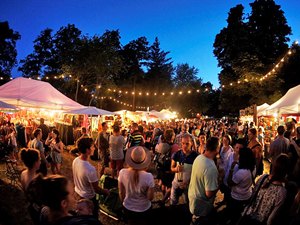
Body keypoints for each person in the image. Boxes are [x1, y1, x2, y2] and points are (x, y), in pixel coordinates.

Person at [241, 154, 290, 225]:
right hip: (260, 221)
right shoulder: (282, 192)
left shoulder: (263, 178)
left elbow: (253, 195)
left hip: (248, 216)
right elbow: (271, 218)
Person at [72, 138, 108, 219]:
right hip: (88, 199)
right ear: (87, 150)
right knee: (91, 219)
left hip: (78, 194)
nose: (94, 148)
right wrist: (106, 192)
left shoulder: (75, 160)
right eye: (92, 147)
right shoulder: (90, 169)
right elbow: (96, 189)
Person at [118, 146, 154, 225]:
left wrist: (123, 204)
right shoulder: (149, 176)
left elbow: (121, 193)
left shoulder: (122, 172)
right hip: (144, 209)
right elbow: (150, 198)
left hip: (128, 207)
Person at [188, 136, 220, 225]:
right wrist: (218, 185)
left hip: (194, 198)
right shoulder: (210, 167)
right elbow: (209, 193)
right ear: (217, 148)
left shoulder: (199, 158)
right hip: (202, 205)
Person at [227, 147, 256, 224]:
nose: (238, 156)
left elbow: (230, 182)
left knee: (235, 216)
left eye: (239, 155)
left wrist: (232, 168)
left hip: (237, 198)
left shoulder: (242, 173)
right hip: (246, 195)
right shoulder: (253, 168)